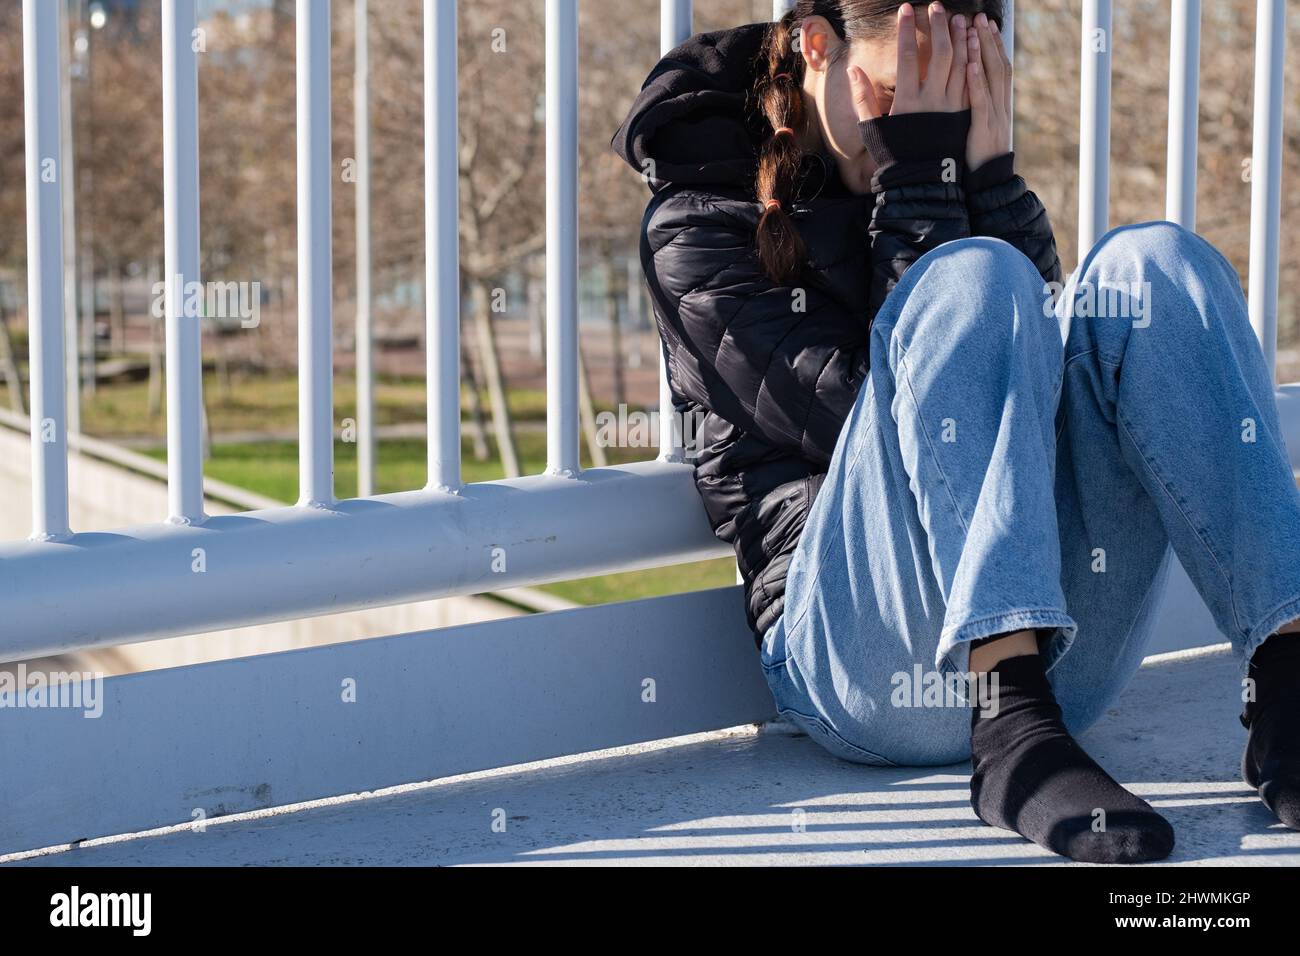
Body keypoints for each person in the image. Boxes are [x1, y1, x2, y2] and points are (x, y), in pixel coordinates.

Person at [612, 0, 1300, 863]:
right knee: (973, 276)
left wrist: (992, 188)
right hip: (857, 667)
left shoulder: (942, 182)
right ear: (815, 46)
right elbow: (872, 425)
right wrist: (923, 190)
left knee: (1157, 263)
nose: (927, 125)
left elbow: (1042, 395)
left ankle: (1288, 690)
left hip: (1067, 657)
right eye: (906, 95)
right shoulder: (696, 225)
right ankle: (1008, 735)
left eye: (958, 101)